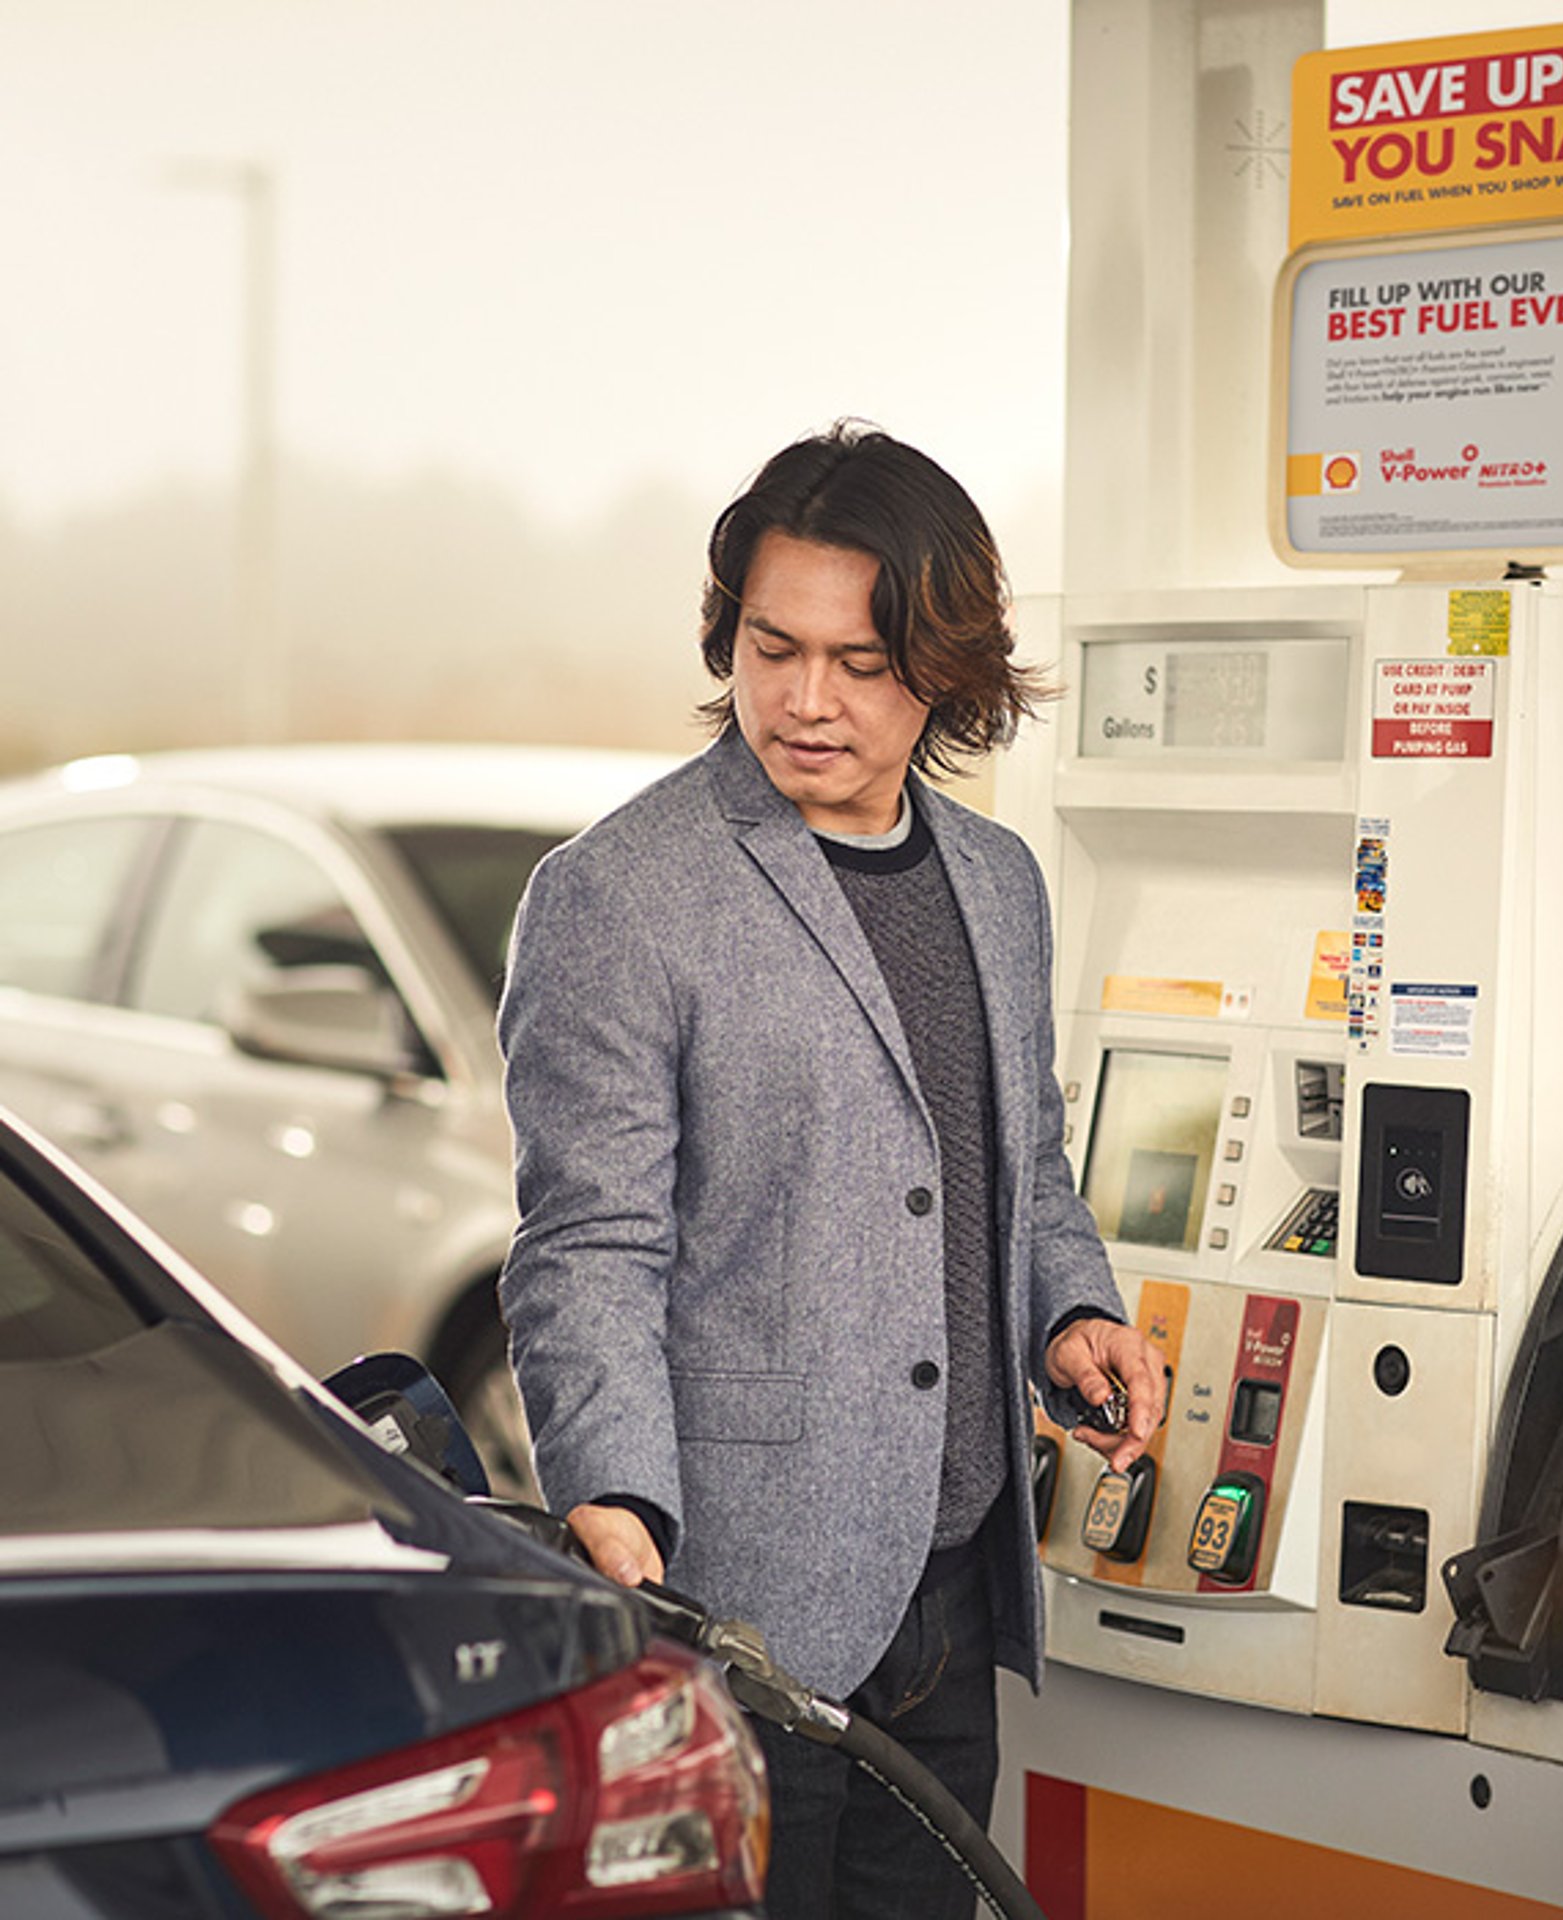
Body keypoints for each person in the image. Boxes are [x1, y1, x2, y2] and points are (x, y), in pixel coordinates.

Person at [497, 422, 1163, 1919]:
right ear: (727, 635)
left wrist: (1071, 1311)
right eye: (772, 648)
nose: (805, 701)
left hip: (957, 1591)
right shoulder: (618, 894)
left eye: (860, 663)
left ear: (945, 665)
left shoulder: (998, 881)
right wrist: (611, 1495)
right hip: (739, 1609)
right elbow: (588, 1245)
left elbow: (1022, 1165)